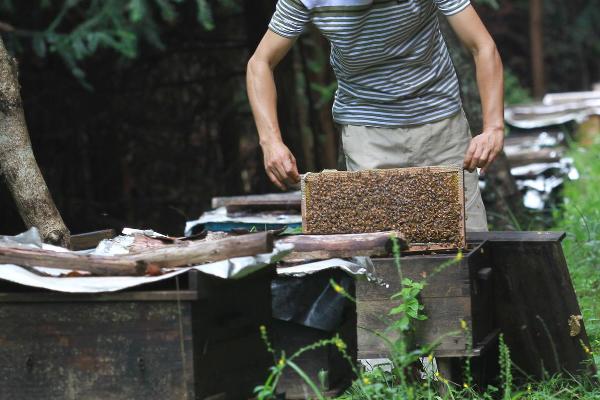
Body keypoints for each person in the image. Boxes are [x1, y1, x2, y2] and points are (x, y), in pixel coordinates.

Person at [246, 0, 504, 232]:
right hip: (366, 133)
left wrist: (494, 127)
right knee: (379, 256)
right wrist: (270, 142)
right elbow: (260, 63)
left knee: (468, 243)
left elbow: (482, 46)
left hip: (440, 122)